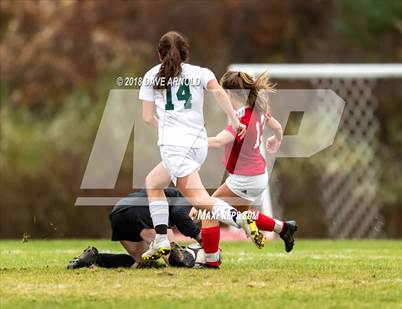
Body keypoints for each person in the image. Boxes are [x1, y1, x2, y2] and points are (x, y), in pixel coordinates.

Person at [139, 31, 263, 267]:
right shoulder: (200, 73)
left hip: (175, 147)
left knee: (200, 199)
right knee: (154, 183)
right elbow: (217, 92)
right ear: (186, 52)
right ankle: (162, 239)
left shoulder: (151, 76)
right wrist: (236, 122)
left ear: (159, 54)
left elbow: (147, 118)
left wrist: (164, 127)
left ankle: (241, 219)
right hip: (198, 145)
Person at [207, 71, 298, 253]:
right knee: (242, 214)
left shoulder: (240, 118)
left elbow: (218, 141)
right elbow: (278, 127)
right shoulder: (258, 108)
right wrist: (276, 139)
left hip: (244, 178)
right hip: (258, 175)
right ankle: (284, 228)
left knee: (206, 208)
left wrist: (185, 141)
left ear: (230, 94)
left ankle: (209, 255)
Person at [67, 188, 206, 269]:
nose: (194, 220)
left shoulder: (168, 195)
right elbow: (180, 215)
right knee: (174, 257)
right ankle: (201, 261)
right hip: (141, 210)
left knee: (144, 262)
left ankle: (94, 258)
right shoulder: (184, 198)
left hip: (118, 214)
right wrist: (201, 238)